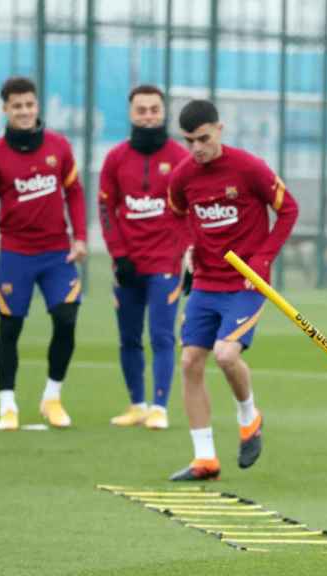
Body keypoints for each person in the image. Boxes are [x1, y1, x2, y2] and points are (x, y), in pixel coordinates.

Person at [166, 99, 298, 481]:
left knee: (225, 355)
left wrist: (263, 259)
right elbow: (176, 215)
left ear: (219, 130)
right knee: (190, 361)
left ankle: (248, 416)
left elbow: (288, 209)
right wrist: (188, 245)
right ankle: (204, 459)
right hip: (206, 283)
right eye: (189, 140)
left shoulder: (248, 168)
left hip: (245, 284)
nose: (196, 148)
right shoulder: (183, 176)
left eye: (203, 138)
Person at [0, 76, 88, 431]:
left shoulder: (59, 146)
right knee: (10, 328)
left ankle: (52, 398)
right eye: (16, 106)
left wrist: (80, 237)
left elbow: (76, 193)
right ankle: (8, 405)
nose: (24, 111)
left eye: (29, 105)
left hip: (57, 254)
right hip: (16, 256)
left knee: (67, 319)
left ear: (37, 106)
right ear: (5, 110)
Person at [99, 84, 191, 430]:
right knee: (129, 337)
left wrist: (185, 253)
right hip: (128, 264)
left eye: (154, 109)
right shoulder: (115, 158)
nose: (149, 116)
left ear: (164, 112)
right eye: (142, 110)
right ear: (131, 113)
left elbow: (191, 209)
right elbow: (106, 208)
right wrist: (119, 255)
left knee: (163, 335)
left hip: (165, 263)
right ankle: (137, 404)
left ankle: (159, 407)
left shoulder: (181, 157)